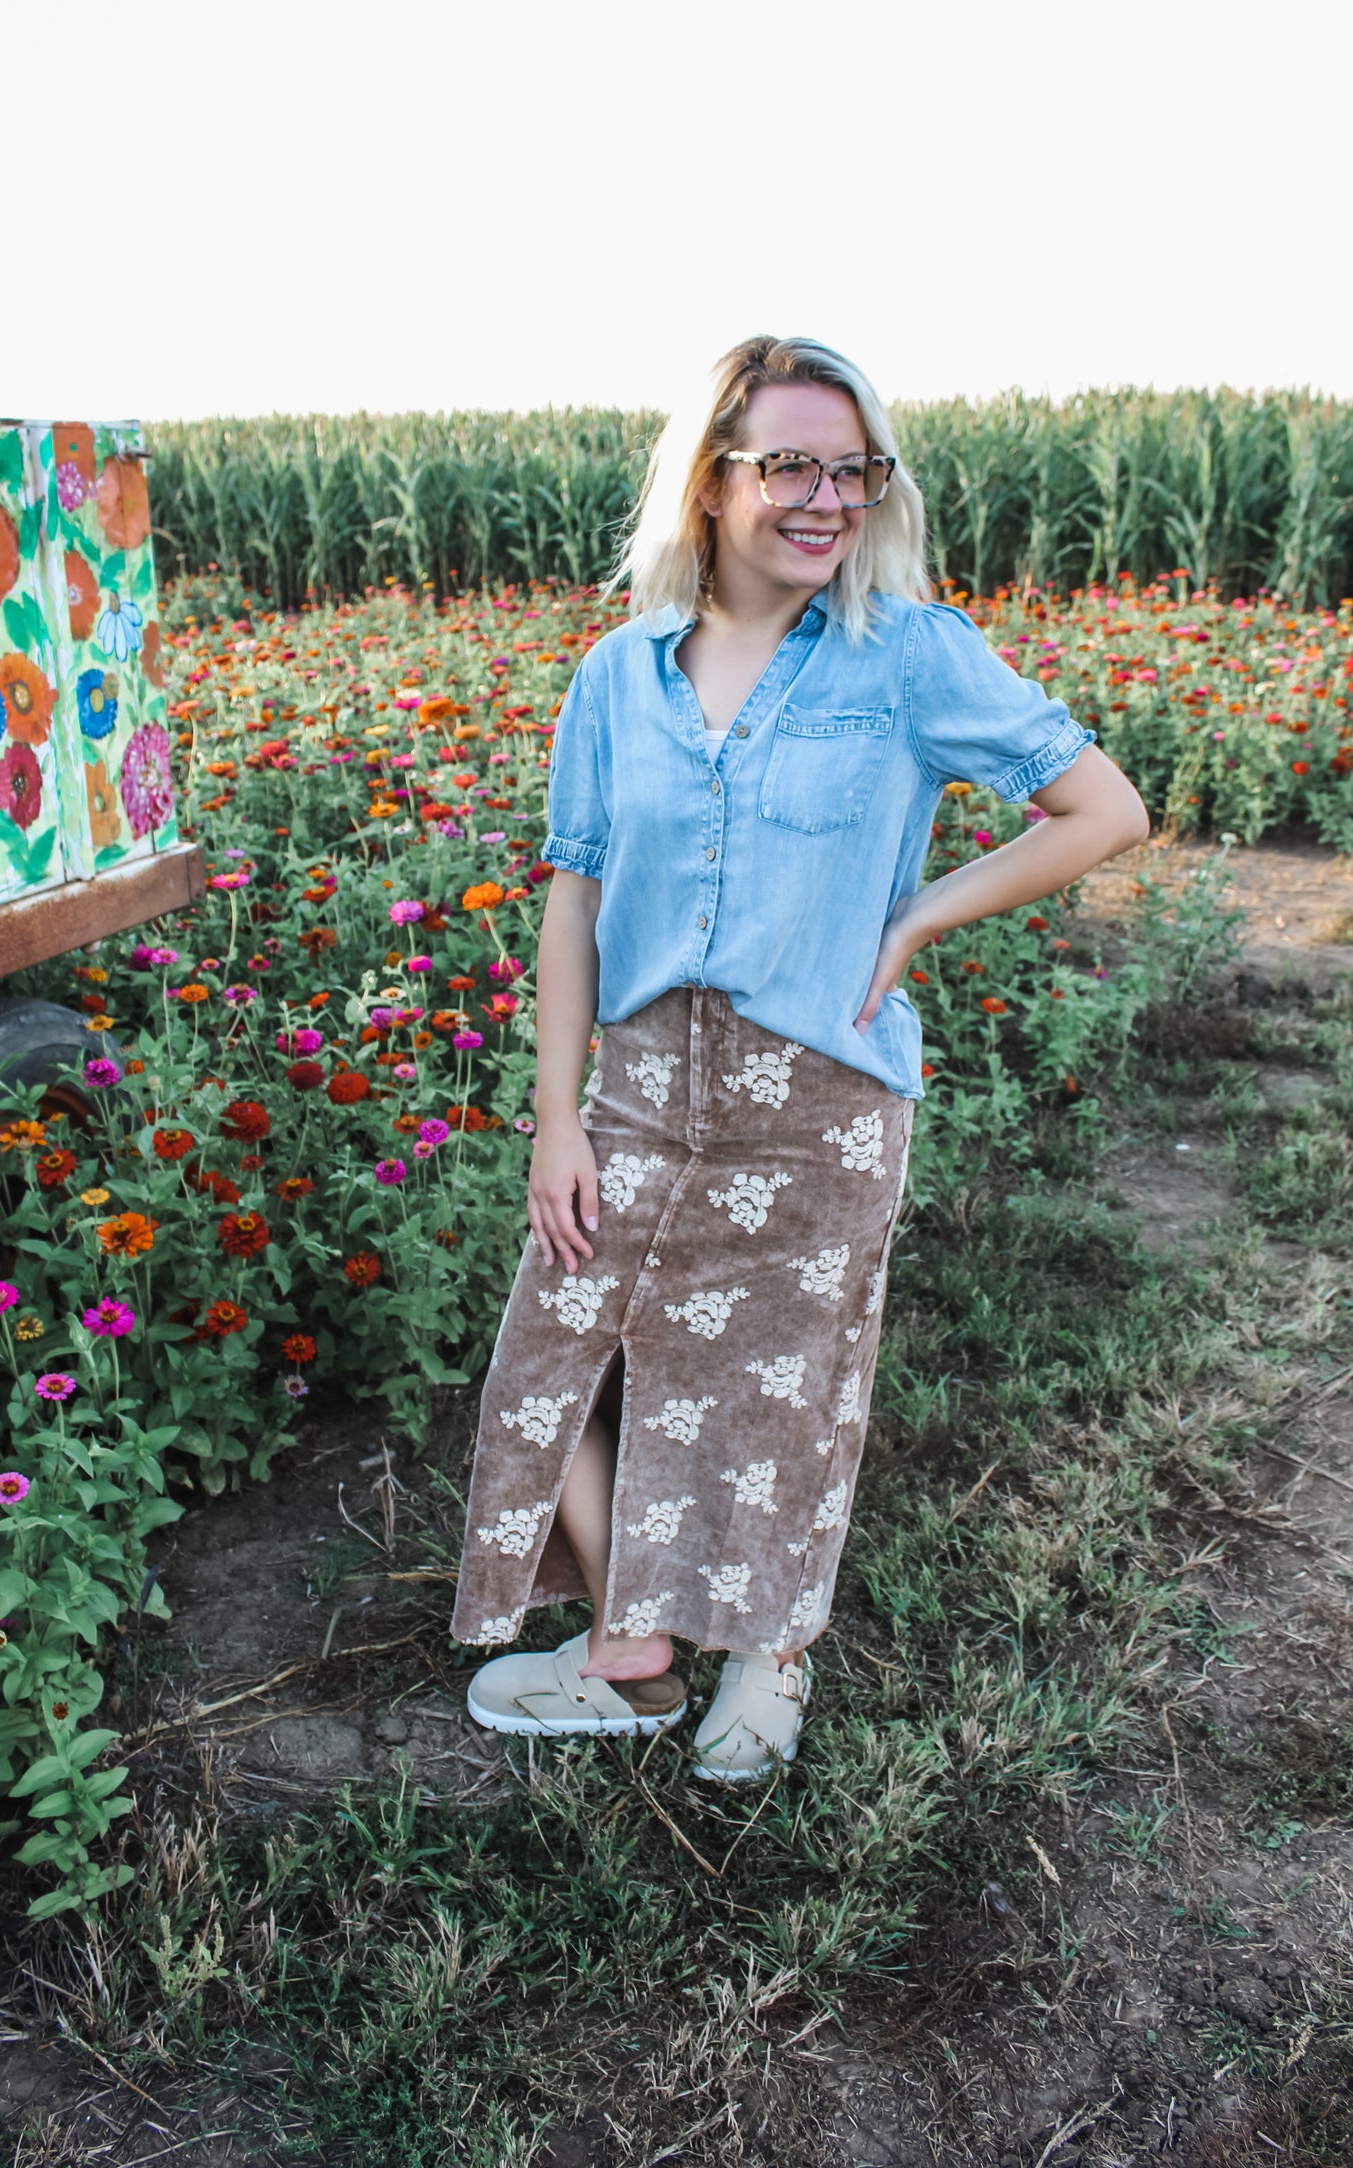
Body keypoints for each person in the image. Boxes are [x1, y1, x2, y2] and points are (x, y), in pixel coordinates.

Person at [450, 333, 1148, 1781]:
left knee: (779, 1397)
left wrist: (916, 919)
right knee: (551, 1367)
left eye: (852, 470)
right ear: (711, 482)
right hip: (639, 1090)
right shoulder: (617, 675)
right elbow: (574, 899)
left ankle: (765, 1658)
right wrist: (555, 1117)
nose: (826, 500)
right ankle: (631, 1646)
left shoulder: (908, 656)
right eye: (790, 467)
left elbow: (1104, 811)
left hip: (817, 1101)